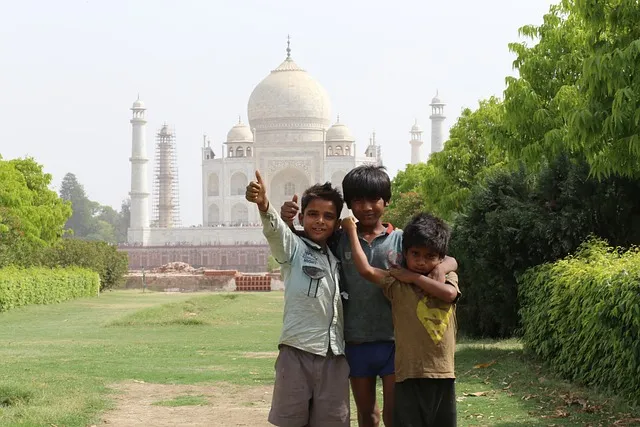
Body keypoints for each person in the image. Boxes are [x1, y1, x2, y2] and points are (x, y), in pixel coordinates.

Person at [280, 165, 457, 427]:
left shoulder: (400, 240)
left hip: (395, 340)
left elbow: (445, 257)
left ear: (387, 201)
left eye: (374, 200)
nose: (367, 207)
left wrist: (442, 268)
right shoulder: (339, 239)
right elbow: (301, 241)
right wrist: (287, 220)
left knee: (393, 414)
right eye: (358, 201)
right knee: (367, 414)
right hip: (355, 339)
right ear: (349, 205)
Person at [245, 170, 350, 427]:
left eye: (328, 216)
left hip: (334, 356)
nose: (319, 221)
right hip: (296, 353)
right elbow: (276, 232)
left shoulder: (339, 259)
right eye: (313, 214)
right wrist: (264, 205)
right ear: (301, 217)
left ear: (337, 223)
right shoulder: (294, 250)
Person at [342, 213, 460, 427]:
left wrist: (416, 276)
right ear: (405, 253)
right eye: (415, 254)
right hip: (407, 373)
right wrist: (351, 232)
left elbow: (450, 295)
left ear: (440, 258)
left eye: (430, 256)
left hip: (443, 373)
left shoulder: (446, 277)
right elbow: (366, 270)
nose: (422, 261)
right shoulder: (396, 283)